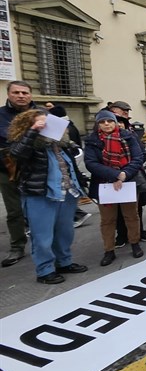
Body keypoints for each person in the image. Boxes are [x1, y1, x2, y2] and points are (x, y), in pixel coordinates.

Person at [8, 109, 87, 284]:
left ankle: (64, 262)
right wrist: (33, 130)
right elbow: (17, 154)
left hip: (66, 194)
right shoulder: (27, 142)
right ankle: (45, 270)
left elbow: (71, 166)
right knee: (42, 237)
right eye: (41, 122)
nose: (46, 126)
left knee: (65, 233)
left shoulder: (60, 143)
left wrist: (80, 182)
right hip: (40, 195)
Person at [84, 110, 144, 266]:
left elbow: (138, 158)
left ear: (115, 122)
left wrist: (125, 173)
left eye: (109, 121)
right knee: (108, 220)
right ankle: (109, 250)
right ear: (98, 124)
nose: (106, 124)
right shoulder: (92, 141)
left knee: (131, 216)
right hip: (105, 185)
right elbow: (91, 163)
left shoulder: (128, 137)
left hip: (128, 182)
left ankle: (135, 243)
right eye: (102, 122)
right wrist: (115, 175)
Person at [0, 81, 37, 266]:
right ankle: (17, 247)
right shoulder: (0, 115)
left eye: (24, 92)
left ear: (30, 94)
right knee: (15, 211)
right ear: (9, 94)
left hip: (38, 169)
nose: (21, 96)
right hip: (8, 169)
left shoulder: (42, 114)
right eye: (16, 92)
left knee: (40, 209)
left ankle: (43, 245)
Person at [107, 101, 146, 245]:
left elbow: (139, 151)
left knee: (136, 207)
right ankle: (121, 235)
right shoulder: (104, 127)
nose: (126, 115)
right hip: (111, 176)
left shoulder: (130, 130)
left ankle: (138, 232)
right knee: (116, 208)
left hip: (133, 173)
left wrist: (132, 167)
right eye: (124, 112)